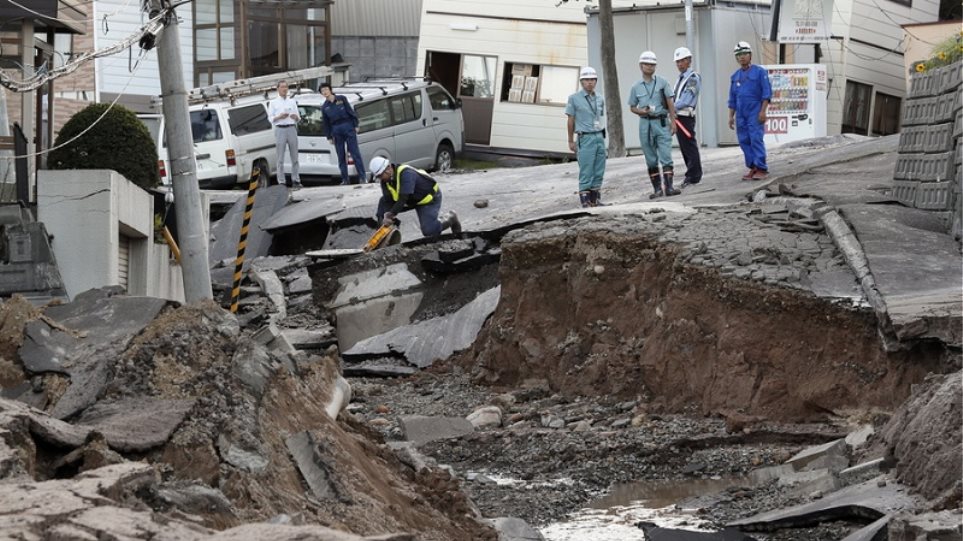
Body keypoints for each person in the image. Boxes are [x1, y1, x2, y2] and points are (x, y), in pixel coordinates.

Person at [628, 51, 679, 199]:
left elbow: (670, 102)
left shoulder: (663, 82)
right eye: (646, 64)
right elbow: (632, 106)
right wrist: (641, 111)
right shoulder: (636, 86)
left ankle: (669, 187)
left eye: (652, 64)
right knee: (650, 157)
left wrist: (673, 121)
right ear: (640, 66)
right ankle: (657, 189)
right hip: (645, 124)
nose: (649, 67)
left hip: (661, 122)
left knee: (666, 154)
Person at [370, 156, 461, 237]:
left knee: (429, 231)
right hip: (411, 200)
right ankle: (381, 235)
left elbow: (403, 198)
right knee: (383, 203)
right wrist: (386, 217)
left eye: (381, 175)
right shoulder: (385, 181)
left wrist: (391, 214)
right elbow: (387, 199)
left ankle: (451, 218)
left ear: (389, 168)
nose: (380, 178)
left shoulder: (406, 173)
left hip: (428, 199)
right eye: (378, 176)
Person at [728, 41, 772, 181]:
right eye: (739, 55)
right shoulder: (735, 76)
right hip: (741, 113)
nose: (742, 57)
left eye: (744, 54)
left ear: (750, 55)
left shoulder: (760, 72)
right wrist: (731, 116)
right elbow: (732, 98)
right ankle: (752, 166)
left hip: (755, 111)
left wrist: (763, 111)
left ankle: (761, 168)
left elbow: (766, 93)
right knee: (743, 140)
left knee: (755, 138)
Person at [565, 66, 607, 207]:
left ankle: (595, 199)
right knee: (586, 169)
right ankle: (585, 201)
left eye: (592, 79)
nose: (590, 82)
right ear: (581, 82)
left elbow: (600, 117)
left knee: (599, 169)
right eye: (586, 80)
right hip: (585, 137)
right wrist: (571, 140)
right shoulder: (574, 99)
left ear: (596, 81)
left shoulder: (600, 98)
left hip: (599, 136)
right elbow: (570, 120)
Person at [320, 82, 368, 185]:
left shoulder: (341, 99)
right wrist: (329, 136)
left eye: (326, 89)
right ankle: (345, 179)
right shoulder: (324, 107)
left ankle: (363, 177)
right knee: (341, 155)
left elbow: (351, 112)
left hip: (347, 126)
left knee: (355, 153)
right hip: (336, 129)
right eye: (322, 91)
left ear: (330, 90)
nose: (325, 92)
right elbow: (326, 123)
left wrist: (355, 125)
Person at [672, 47, 703, 188]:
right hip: (678, 116)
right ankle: (691, 174)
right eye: (677, 61)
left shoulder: (693, 78)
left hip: (685, 117)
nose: (680, 64)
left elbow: (685, 99)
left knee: (689, 146)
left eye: (682, 61)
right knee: (684, 147)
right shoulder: (680, 79)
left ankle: (694, 175)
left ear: (689, 61)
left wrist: (670, 107)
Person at [268, 81, 301, 189]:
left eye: (286, 87)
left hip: (291, 128)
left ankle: (296, 179)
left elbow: (298, 117)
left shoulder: (292, 101)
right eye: (282, 87)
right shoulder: (273, 102)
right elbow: (270, 118)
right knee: (280, 157)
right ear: (278, 88)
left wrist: (295, 117)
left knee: (295, 157)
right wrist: (279, 117)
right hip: (280, 129)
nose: (284, 89)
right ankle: (281, 181)